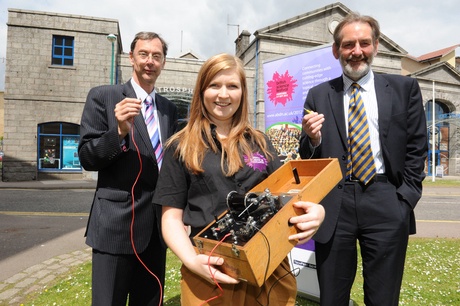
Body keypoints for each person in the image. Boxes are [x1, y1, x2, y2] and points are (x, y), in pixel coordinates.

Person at [152, 53, 325, 305]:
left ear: (243, 92)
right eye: (214, 85)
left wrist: (316, 212)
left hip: (269, 269)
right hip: (211, 271)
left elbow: (287, 196)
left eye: (232, 86)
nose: (223, 95)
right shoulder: (181, 147)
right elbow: (171, 218)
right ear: (201, 90)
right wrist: (191, 261)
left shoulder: (261, 143)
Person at [299, 12, 428, 306]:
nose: (356, 51)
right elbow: (307, 157)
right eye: (348, 45)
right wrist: (313, 138)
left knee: (383, 298)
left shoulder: (403, 89)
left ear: (376, 45)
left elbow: (417, 148)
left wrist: (404, 201)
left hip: (387, 201)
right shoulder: (318, 94)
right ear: (336, 50)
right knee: (331, 297)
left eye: (364, 43)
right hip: (334, 204)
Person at [78, 31, 178, 306]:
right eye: (143, 54)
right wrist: (119, 131)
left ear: (163, 63)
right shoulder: (103, 97)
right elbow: (88, 157)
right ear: (131, 57)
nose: (150, 61)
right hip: (115, 226)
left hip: (156, 232)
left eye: (156, 56)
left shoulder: (169, 109)